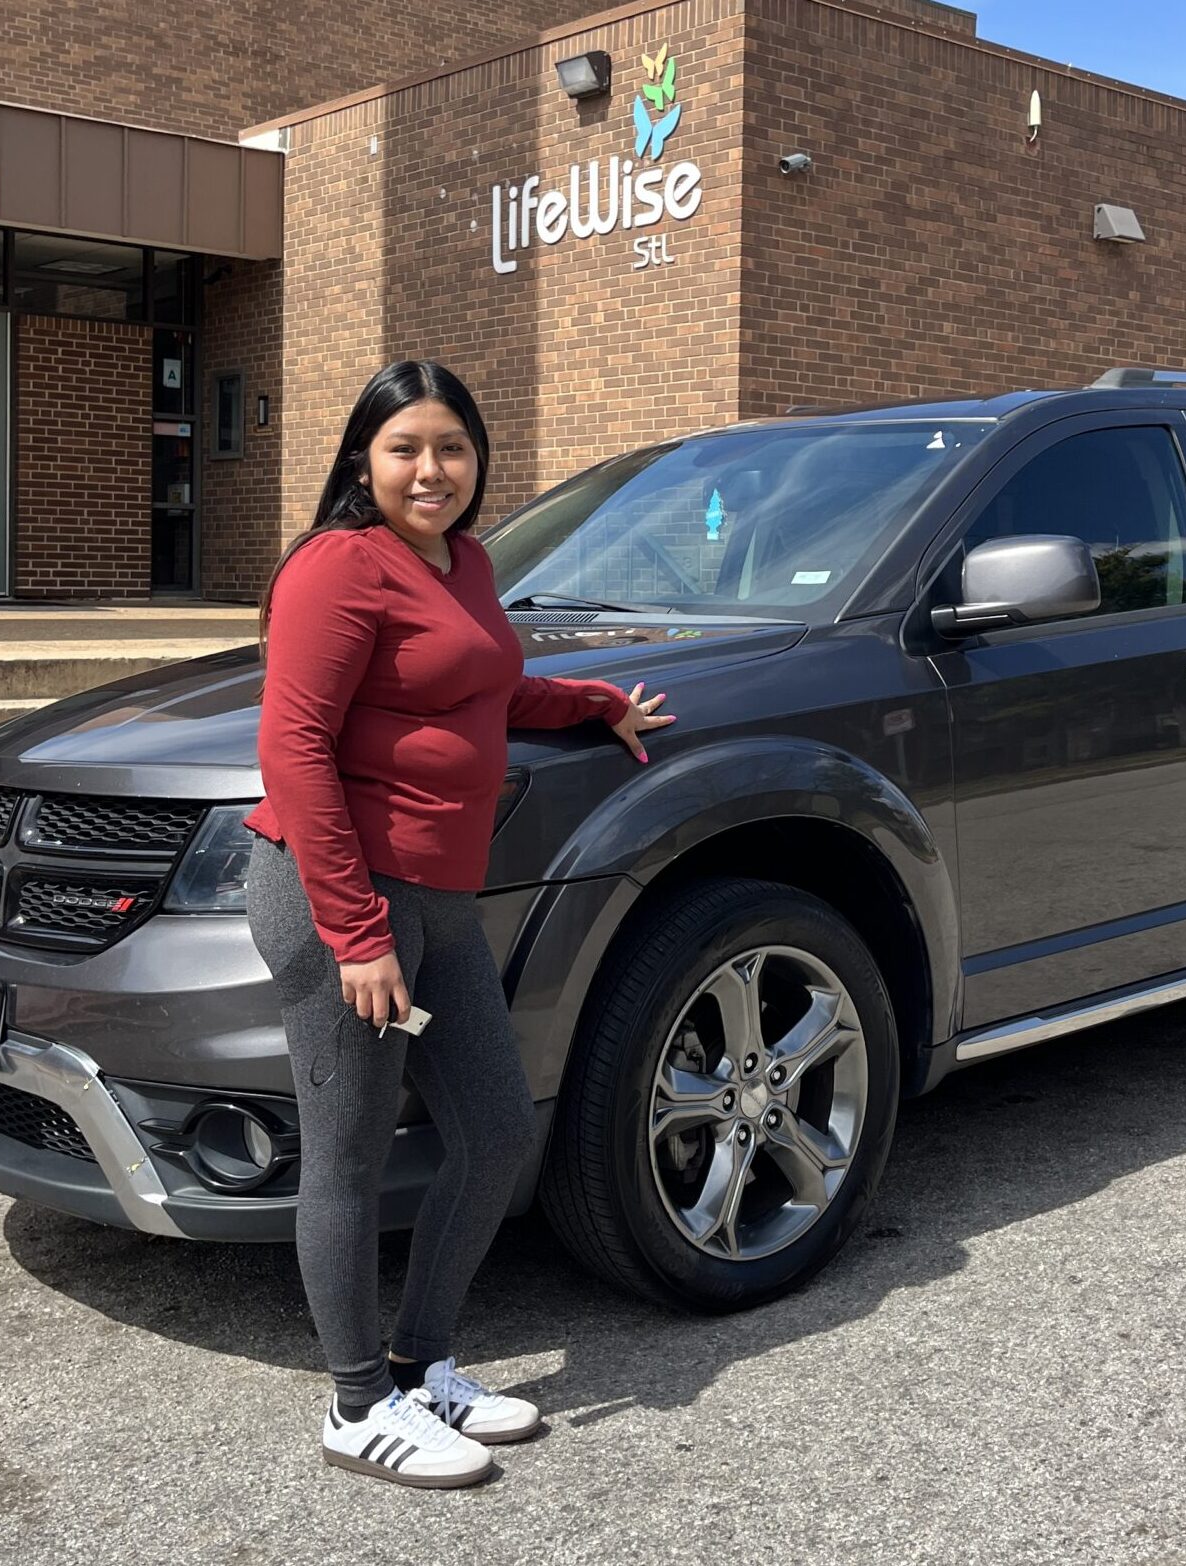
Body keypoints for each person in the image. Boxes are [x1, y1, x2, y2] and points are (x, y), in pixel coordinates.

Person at [243, 360, 675, 1489]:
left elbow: (486, 686)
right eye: (405, 449)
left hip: (438, 893)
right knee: (345, 1154)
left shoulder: (467, 560)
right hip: (339, 893)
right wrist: (353, 932)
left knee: (495, 1130)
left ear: (478, 461)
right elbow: (293, 749)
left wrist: (596, 703)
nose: (431, 471)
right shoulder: (337, 567)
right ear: (362, 460)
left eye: (452, 449)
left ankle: (423, 1360)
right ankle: (354, 1406)